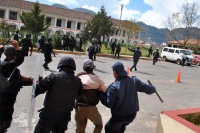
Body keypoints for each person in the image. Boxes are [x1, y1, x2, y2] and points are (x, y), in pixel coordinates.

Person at [99, 62, 156, 133]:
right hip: (131, 115)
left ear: (115, 73)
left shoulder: (114, 87)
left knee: (109, 128)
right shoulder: (134, 80)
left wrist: (101, 94)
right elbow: (148, 89)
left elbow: (109, 103)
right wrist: (153, 88)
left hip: (119, 117)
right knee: (122, 127)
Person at [34, 56, 82, 133]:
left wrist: (38, 82)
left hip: (49, 114)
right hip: (64, 116)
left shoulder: (53, 76)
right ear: (73, 68)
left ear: (60, 66)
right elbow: (78, 93)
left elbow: (38, 89)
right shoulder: (78, 81)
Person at [0, 40, 33, 132]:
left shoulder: (10, 67)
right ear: (12, 56)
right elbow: (19, 60)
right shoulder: (5, 65)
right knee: (4, 121)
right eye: (15, 55)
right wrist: (17, 47)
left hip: (8, 98)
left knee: (6, 120)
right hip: (4, 99)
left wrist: (30, 79)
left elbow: (17, 78)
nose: (16, 57)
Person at [75, 59, 107, 133]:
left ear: (83, 68)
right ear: (93, 68)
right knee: (99, 125)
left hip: (78, 108)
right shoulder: (97, 79)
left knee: (80, 129)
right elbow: (105, 90)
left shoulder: (77, 78)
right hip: (91, 109)